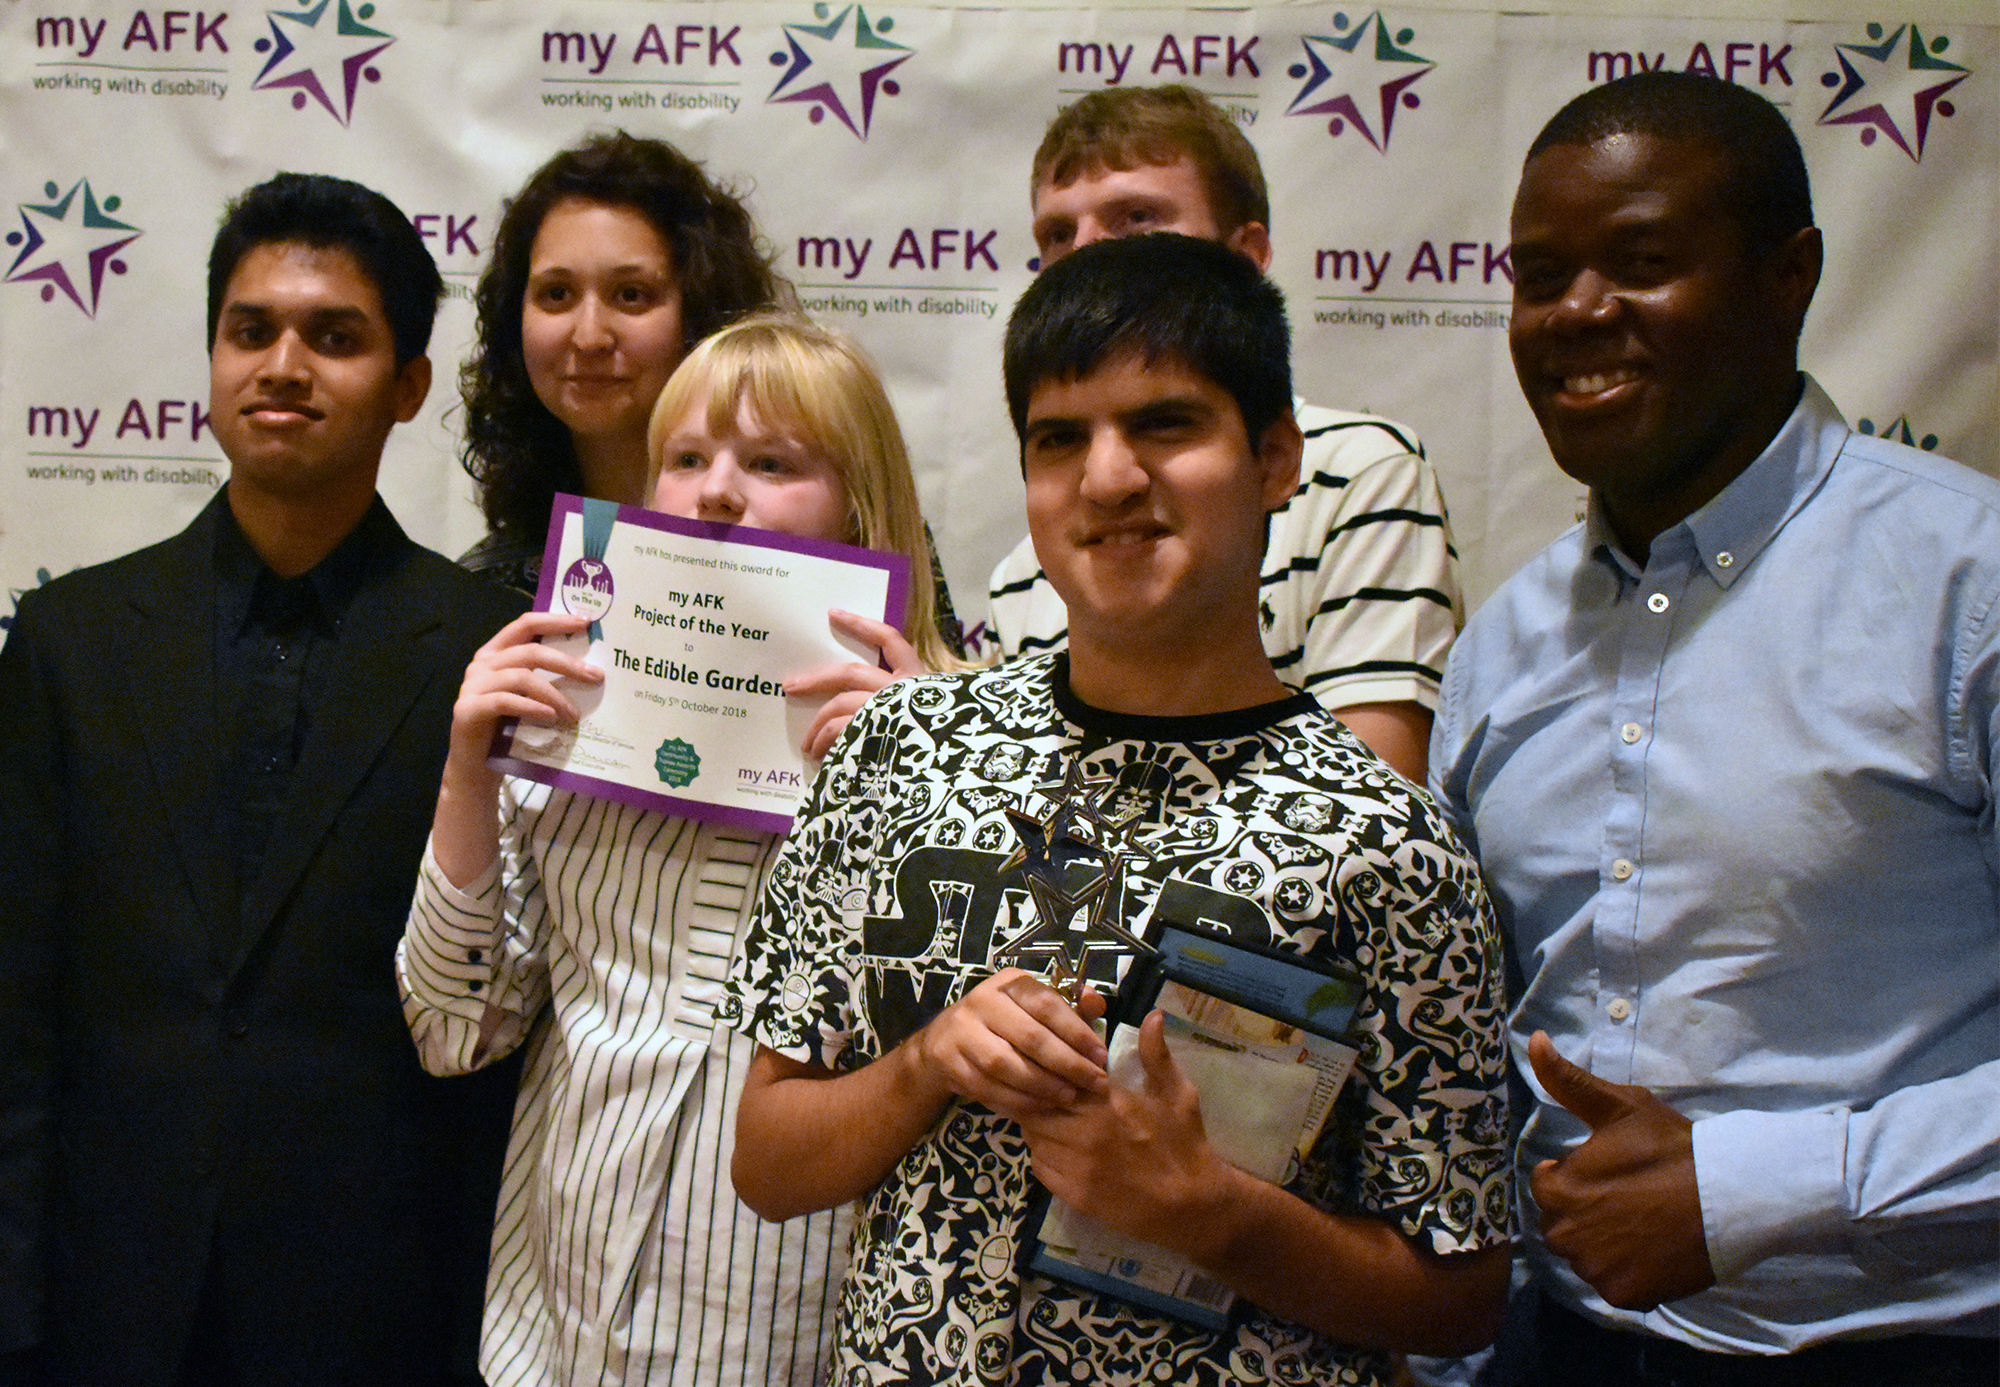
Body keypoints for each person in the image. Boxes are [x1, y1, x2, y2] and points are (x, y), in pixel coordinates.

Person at [727, 234, 1512, 1387]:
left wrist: (1203, 1209)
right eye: (1059, 440)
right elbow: (765, 1159)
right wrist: (925, 1060)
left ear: (1273, 456)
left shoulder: (1388, 846)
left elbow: (1460, 1293)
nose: (1105, 479)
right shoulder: (899, 753)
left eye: (1163, 425)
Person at [1432, 71, 1999, 1384]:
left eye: (1641, 264)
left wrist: (1759, 1183)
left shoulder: (1965, 588)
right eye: (1541, 272)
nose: (1578, 314)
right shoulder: (1501, 648)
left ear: (1787, 275)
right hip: (1566, 1348)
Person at [0, 174, 525, 1385]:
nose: (283, 364)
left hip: (376, 1306)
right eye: (252, 331)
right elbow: (17, 1006)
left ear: (406, 387)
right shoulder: (72, 642)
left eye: (332, 336)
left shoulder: (487, 656)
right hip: (102, 1297)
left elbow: (496, 1027)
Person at [398, 316, 971, 1387]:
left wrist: (925, 790)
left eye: (770, 463)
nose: (714, 491)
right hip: (555, 1334)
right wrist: (467, 774)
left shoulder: (963, 733)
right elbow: (452, 1028)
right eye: (687, 458)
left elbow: (983, 1067)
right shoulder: (572, 718)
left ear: (861, 504)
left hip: (800, 1335)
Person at [984, 84, 1459, 782]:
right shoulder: (1031, 564)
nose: (1086, 254)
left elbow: (1369, 812)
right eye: (1059, 234)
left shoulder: (1362, 475)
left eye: (1135, 219)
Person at [457, 130, 784, 595]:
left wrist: (914, 672)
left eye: (631, 294)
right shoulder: (485, 589)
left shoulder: (839, 542)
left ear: (703, 309)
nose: (589, 337)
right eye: (557, 294)